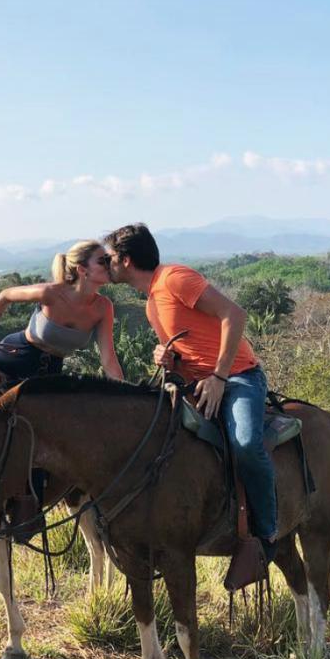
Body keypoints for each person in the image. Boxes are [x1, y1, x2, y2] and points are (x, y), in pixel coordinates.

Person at [102, 223, 278, 553]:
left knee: (244, 444)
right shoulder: (151, 303)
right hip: (196, 383)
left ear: (126, 259)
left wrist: (219, 377)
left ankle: (268, 533)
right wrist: (169, 359)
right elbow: (191, 350)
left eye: (108, 257)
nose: (105, 264)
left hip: (238, 377)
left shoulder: (174, 278)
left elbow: (234, 315)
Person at [0, 240, 124, 382]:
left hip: (51, 373)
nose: (109, 265)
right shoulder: (50, 293)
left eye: (108, 260)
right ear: (83, 270)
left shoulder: (103, 308)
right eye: (102, 261)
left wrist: (126, 394)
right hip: (13, 358)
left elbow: (108, 358)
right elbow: (5, 296)